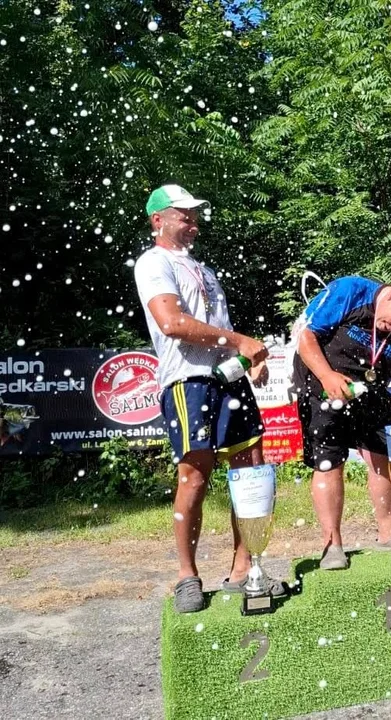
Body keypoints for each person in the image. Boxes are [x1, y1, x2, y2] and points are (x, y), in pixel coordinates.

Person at [134, 184, 276, 613]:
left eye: (195, 215)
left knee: (250, 470)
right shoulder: (153, 262)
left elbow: (218, 329)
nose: (193, 222)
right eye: (184, 215)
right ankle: (187, 577)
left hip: (228, 379)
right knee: (194, 477)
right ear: (158, 219)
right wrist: (241, 341)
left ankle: (244, 569)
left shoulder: (204, 269)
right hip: (188, 381)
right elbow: (172, 323)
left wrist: (246, 359)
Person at [294, 276, 391, 570]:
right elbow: (305, 337)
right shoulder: (351, 290)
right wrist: (327, 376)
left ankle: (389, 534)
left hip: (372, 390)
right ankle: (332, 545)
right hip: (324, 385)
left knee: (380, 456)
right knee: (329, 462)